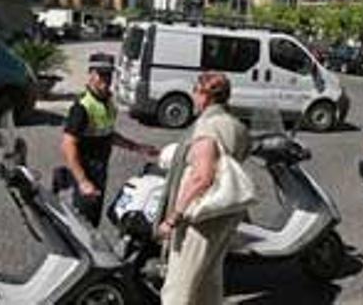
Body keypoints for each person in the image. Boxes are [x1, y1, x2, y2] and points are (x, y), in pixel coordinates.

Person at [157, 72, 252, 305]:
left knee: (178, 287)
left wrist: (173, 218)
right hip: (225, 211)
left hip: (200, 215)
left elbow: (202, 177)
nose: (193, 96)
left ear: (206, 96)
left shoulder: (208, 127)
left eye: (195, 90)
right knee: (208, 281)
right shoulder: (236, 125)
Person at [61, 52, 159, 227]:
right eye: (101, 74)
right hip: (85, 172)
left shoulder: (107, 103)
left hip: (100, 170)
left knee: (92, 221)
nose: (106, 80)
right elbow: (68, 144)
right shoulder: (82, 106)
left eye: (109, 75)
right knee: (81, 224)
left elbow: (107, 134)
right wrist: (83, 181)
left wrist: (136, 147)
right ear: (91, 74)